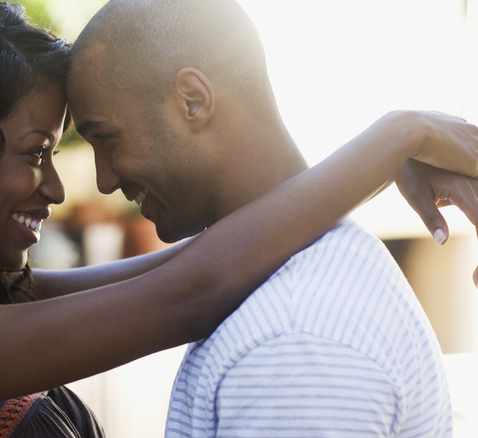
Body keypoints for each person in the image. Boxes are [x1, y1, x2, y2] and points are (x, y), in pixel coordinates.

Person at [0, 0, 478, 437]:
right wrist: (399, 135)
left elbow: (196, 262)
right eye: (37, 152)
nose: (59, 186)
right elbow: (192, 291)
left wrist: (373, 173)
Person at [67, 0, 478, 436]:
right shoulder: (289, 292)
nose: (104, 181)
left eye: (108, 140)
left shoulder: (292, 339)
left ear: (193, 101)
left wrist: (398, 140)